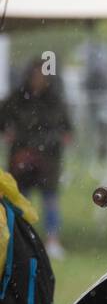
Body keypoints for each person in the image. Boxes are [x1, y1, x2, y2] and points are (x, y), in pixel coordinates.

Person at [0, 60, 73, 260]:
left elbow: (67, 130)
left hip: (48, 160)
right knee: (19, 199)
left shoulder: (55, 100)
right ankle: (20, 239)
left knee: (50, 200)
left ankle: (52, 240)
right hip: (21, 157)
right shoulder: (17, 99)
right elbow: (4, 119)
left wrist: (53, 141)